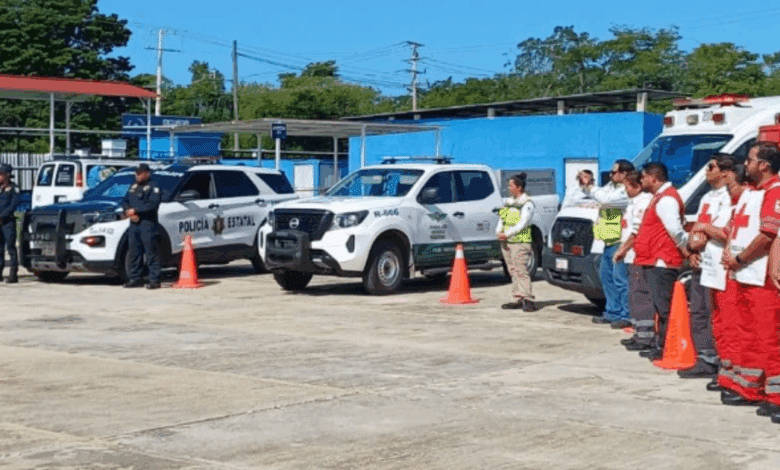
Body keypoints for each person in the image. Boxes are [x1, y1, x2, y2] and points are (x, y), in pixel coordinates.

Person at [717, 142, 780, 421]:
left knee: (771, 337)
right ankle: (751, 388)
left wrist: (740, 258)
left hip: (762, 276)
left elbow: (768, 235)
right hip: (743, 275)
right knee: (748, 334)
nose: (746, 164)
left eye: (750, 159)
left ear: (764, 165)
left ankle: (776, 394)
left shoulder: (774, 191)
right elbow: (734, 228)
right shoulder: (752, 193)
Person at [678, 154, 736, 379]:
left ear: (724, 171)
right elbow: (696, 229)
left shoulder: (730, 196)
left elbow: (720, 230)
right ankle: (705, 357)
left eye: (711, 167)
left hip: (720, 264)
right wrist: (692, 250)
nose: (706, 171)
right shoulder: (707, 196)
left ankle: (722, 359)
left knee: (717, 314)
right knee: (700, 311)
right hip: (701, 261)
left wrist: (701, 232)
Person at [632, 162, 690, 361]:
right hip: (654, 259)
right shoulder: (658, 198)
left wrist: (685, 248)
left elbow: (675, 229)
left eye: (644, 176)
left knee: (664, 308)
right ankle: (661, 344)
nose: (641, 180)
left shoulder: (666, 200)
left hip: (662, 261)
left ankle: (666, 346)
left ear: (654, 177)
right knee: (660, 307)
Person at [582, 160, 633, 325]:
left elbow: (605, 200)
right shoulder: (611, 188)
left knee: (621, 280)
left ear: (624, 174)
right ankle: (613, 312)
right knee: (607, 279)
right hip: (608, 241)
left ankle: (626, 315)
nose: (610, 175)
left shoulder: (627, 191)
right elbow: (596, 195)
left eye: (614, 172)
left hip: (620, 241)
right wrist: (587, 185)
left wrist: (591, 186)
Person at [613, 170, 654, 345]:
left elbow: (636, 233)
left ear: (636, 186)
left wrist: (622, 249)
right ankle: (638, 332)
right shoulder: (633, 202)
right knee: (634, 294)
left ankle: (645, 335)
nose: (625, 191)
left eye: (627, 187)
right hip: (631, 255)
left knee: (640, 295)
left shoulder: (643, 203)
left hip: (638, 255)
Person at [497, 172, 536, 312]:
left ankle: (528, 299)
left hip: (520, 241)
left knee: (521, 270)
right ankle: (517, 298)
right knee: (512, 271)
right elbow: (502, 219)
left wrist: (507, 233)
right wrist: (499, 232)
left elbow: (523, 223)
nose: (509, 188)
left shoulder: (527, 203)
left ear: (519, 187)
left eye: (512, 185)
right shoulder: (509, 202)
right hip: (507, 242)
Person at [121, 163, 163, 289]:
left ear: (147, 173)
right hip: (134, 224)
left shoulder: (153, 187)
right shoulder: (133, 187)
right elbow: (125, 200)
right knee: (135, 252)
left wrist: (136, 211)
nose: (137, 176)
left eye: (139, 173)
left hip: (147, 223)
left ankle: (154, 280)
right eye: (136, 173)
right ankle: (135, 278)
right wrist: (128, 210)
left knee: (151, 252)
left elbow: (152, 205)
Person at [0, 163, 20, 284]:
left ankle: (13, 274)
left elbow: (13, 206)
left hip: (8, 222)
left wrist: (1, 216)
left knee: (11, 248)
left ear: (7, 175)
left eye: (1, 174)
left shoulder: (13, 189)